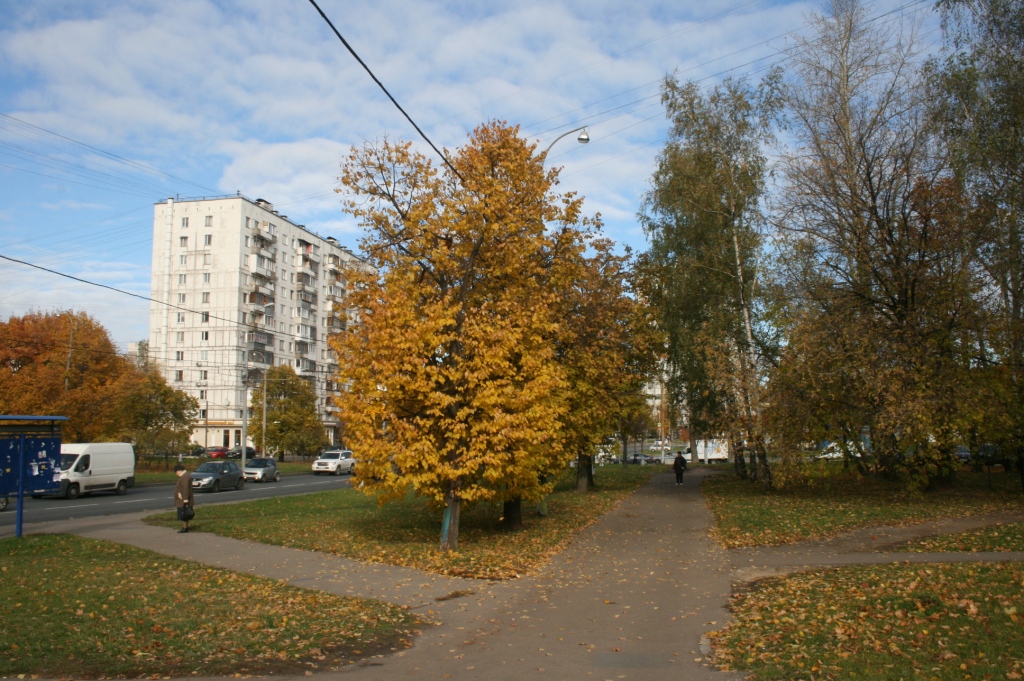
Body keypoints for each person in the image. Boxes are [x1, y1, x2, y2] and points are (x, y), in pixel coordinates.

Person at [173, 464, 194, 533]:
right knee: (184, 513)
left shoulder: (185, 477)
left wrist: (185, 499)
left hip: (183, 500)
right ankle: (185, 527)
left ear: (178, 471)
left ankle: (185, 528)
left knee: (184, 513)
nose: (176, 474)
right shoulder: (185, 476)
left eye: (176, 472)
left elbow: (185, 488)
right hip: (182, 499)